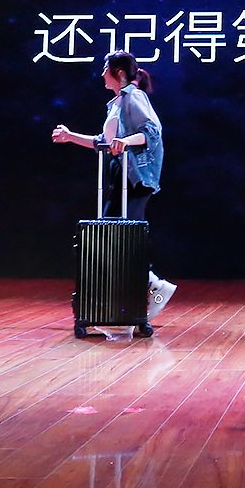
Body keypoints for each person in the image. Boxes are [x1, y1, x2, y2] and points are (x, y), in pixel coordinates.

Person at [51, 51, 177, 322]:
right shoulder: (117, 103)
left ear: (118, 73)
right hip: (121, 177)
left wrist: (126, 141)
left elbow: (151, 132)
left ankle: (156, 288)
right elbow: (105, 142)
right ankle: (128, 297)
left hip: (136, 178)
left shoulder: (133, 97)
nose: (101, 74)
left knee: (123, 238)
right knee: (110, 236)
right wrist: (70, 137)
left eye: (105, 69)